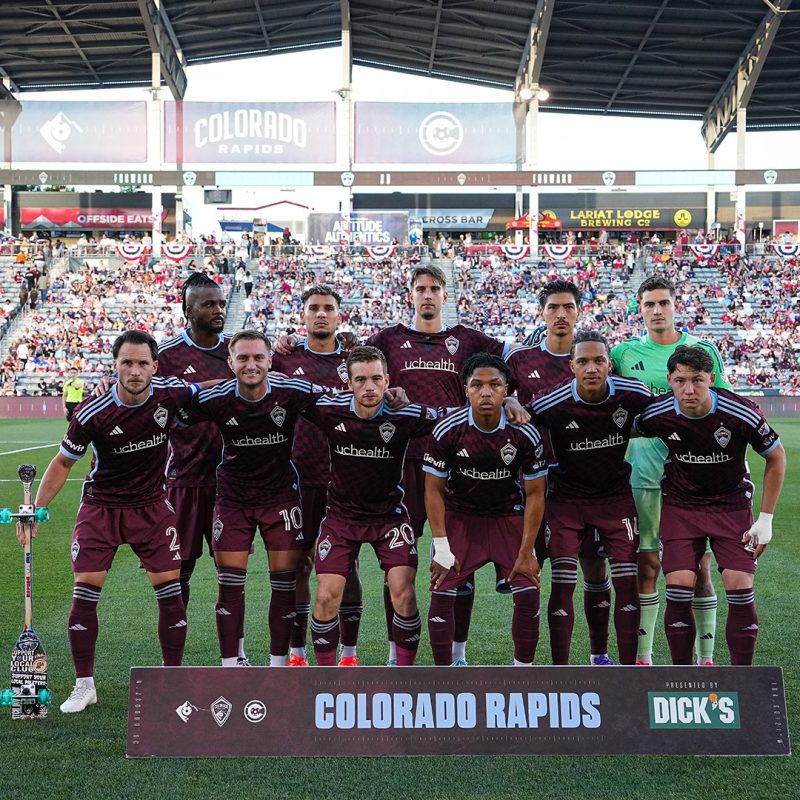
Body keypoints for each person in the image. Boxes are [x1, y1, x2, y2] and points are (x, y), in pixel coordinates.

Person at [25, 331, 197, 713]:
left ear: (155, 365)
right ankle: (85, 684)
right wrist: (36, 508)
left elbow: (215, 387)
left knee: (170, 593)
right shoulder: (92, 411)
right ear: (115, 365)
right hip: (101, 508)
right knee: (85, 593)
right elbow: (63, 463)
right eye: (127, 363)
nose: (135, 371)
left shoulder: (172, 395)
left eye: (142, 363)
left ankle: (172, 678)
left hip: (152, 508)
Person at [179, 330, 326, 666]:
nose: (251, 364)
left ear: (270, 361)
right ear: (230, 362)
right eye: (242, 358)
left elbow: (338, 405)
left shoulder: (293, 390)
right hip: (233, 499)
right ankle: (231, 667)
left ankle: (277, 667)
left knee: (285, 585)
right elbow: (166, 410)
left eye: (258, 357)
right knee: (229, 585)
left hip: (281, 498)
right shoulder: (214, 397)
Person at [636, 346, 785, 665]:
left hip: (731, 507)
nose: (688, 389)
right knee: (678, 586)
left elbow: (776, 456)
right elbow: (618, 430)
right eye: (680, 381)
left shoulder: (740, 412)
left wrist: (766, 518)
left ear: (712, 379)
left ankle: (742, 680)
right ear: (669, 380)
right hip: (680, 507)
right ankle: (683, 678)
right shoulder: (657, 413)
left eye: (697, 380)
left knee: (740, 586)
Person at [611, 275, 730, 665]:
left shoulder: (702, 349)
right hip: (642, 469)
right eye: (649, 304)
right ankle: (644, 658)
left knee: (699, 564)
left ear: (675, 305)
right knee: (648, 560)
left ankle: (705, 657)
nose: (657, 310)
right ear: (639, 308)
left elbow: (722, 406)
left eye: (663, 302)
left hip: (694, 470)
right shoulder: (624, 353)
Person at [305, 346, 440, 667]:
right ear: (348, 383)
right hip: (341, 518)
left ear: (387, 381)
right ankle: (326, 680)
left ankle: (403, 674)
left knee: (403, 593)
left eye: (376, 379)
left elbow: (457, 415)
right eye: (361, 380)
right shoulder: (329, 409)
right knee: (325, 597)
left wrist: (507, 400)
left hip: (389, 518)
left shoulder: (405, 414)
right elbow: (285, 393)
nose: (369, 387)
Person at [506, 280, 613, 664]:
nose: (561, 314)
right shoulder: (520, 360)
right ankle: (527, 662)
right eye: (553, 307)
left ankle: (599, 654)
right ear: (542, 313)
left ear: (579, 312)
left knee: (593, 565)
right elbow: (498, 392)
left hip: (587, 483)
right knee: (530, 570)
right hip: (532, 483)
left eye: (569, 307)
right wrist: (508, 399)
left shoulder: (593, 358)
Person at [531, 331, 651, 665]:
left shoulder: (633, 393)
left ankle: (624, 671)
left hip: (615, 500)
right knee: (563, 583)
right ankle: (561, 672)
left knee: (627, 583)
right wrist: (512, 402)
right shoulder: (550, 402)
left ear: (609, 364)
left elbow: (665, 415)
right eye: (583, 361)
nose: (591, 368)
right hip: (566, 502)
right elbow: (519, 422)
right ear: (571, 366)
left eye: (599, 360)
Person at [424, 353, 547, 666]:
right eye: (477, 385)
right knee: (442, 586)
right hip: (460, 519)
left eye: (495, 384)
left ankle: (522, 672)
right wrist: (440, 545)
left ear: (507, 390)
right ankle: (447, 671)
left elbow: (535, 494)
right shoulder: (447, 430)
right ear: (466, 389)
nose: (486, 391)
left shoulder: (525, 433)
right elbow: (433, 490)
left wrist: (528, 549)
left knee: (529, 589)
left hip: (508, 517)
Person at [270, 286, 358, 667]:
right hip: (297, 479)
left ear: (340, 316)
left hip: (347, 479)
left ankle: (349, 654)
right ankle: (297, 652)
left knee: (347, 566)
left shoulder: (356, 358)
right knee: (298, 565)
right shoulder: (284, 359)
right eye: (313, 308)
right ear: (302, 315)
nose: (321, 314)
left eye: (328, 308)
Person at [153, 272, 235, 636]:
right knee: (179, 570)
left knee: (231, 572)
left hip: (230, 481)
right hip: (184, 478)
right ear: (188, 310)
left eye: (220, 303)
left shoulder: (236, 352)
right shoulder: (166, 356)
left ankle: (236, 655)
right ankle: (175, 657)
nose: (218, 310)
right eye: (209, 304)